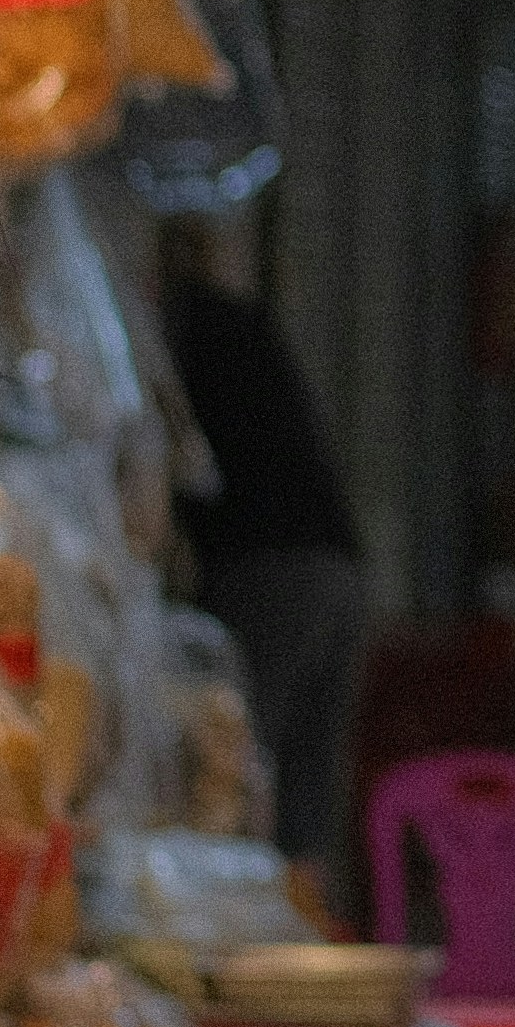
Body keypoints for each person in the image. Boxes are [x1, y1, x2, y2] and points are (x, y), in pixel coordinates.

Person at [158, 213, 372, 873]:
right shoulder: (242, 323)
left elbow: (172, 464)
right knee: (307, 785)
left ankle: (256, 912)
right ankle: (306, 908)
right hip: (337, 565)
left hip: (272, 571)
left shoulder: (181, 334)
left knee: (239, 770)